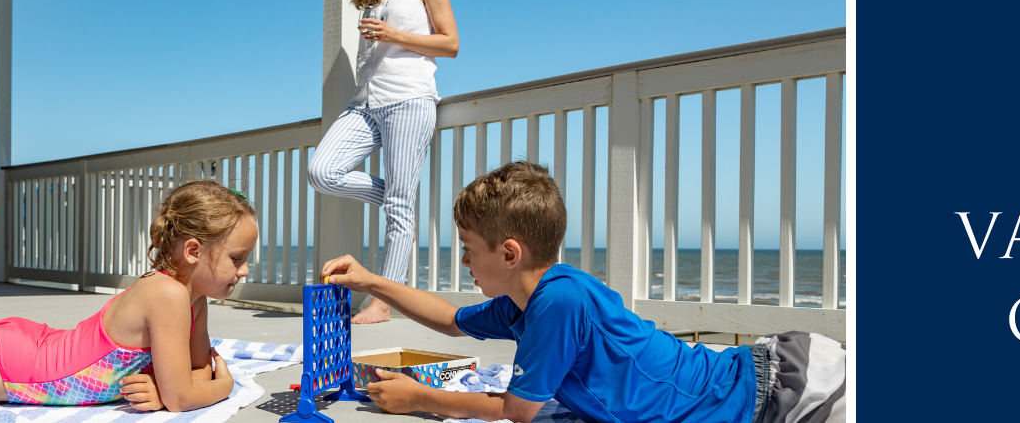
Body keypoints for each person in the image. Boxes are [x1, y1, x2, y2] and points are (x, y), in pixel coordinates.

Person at [320, 162, 845, 423]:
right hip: (760, 376)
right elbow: (451, 319)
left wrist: (420, 399)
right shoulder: (526, 302)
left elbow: (519, 411)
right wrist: (371, 280)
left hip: (780, 397)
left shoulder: (559, 303)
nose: (462, 262)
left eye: (467, 248)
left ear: (509, 253)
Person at [0, 181, 257, 412]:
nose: (244, 271)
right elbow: (185, 396)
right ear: (193, 251)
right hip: (11, 368)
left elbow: (192, 374)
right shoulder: (167, 294)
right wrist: (221, 386)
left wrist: (168, 388)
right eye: (237, 259)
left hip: (29, 352)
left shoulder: (193, 300)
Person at [306, 0, 460, 325]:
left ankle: (382, 303)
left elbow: (450, 44)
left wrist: (395, 33)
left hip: (409, 99)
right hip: (366, 104)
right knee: (322, 171)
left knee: (399, 208)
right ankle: (395, 198)